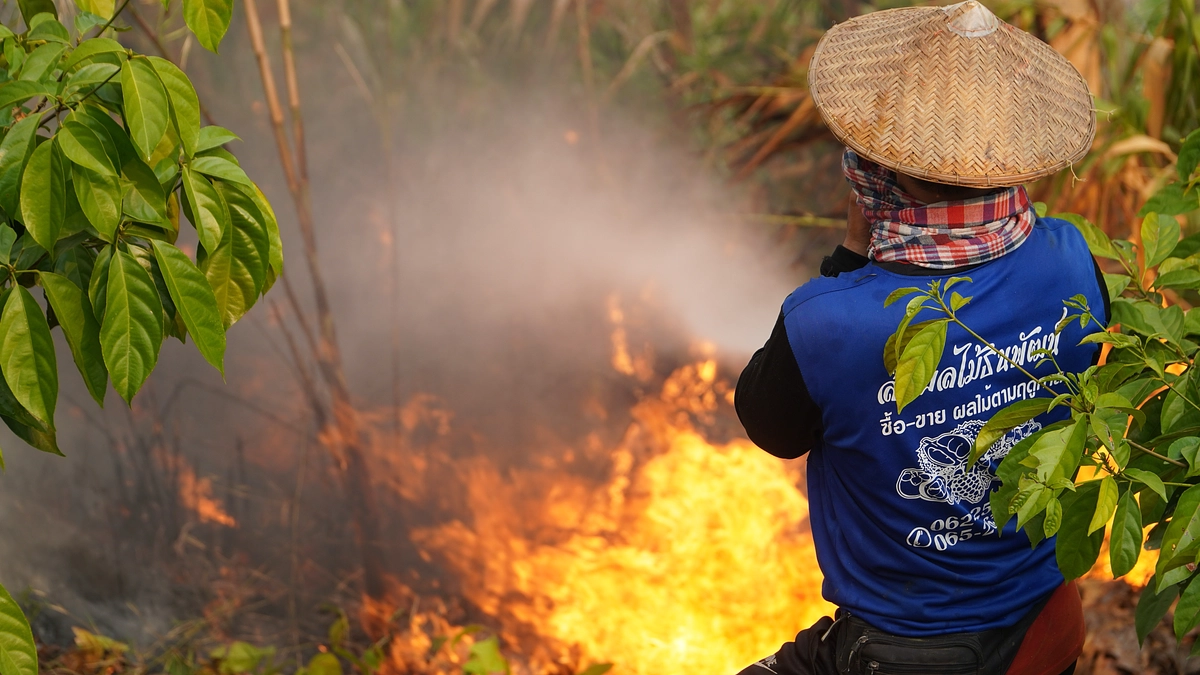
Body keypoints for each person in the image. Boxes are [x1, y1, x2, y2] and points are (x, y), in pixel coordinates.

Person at [734, 3, 1108, 674]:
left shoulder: (825, 321)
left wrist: (852, 250)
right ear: (1015, 149)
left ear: (880, 165)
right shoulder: (1074, 262)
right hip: (1046, 627)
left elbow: (769, 425)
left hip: (899, 654)